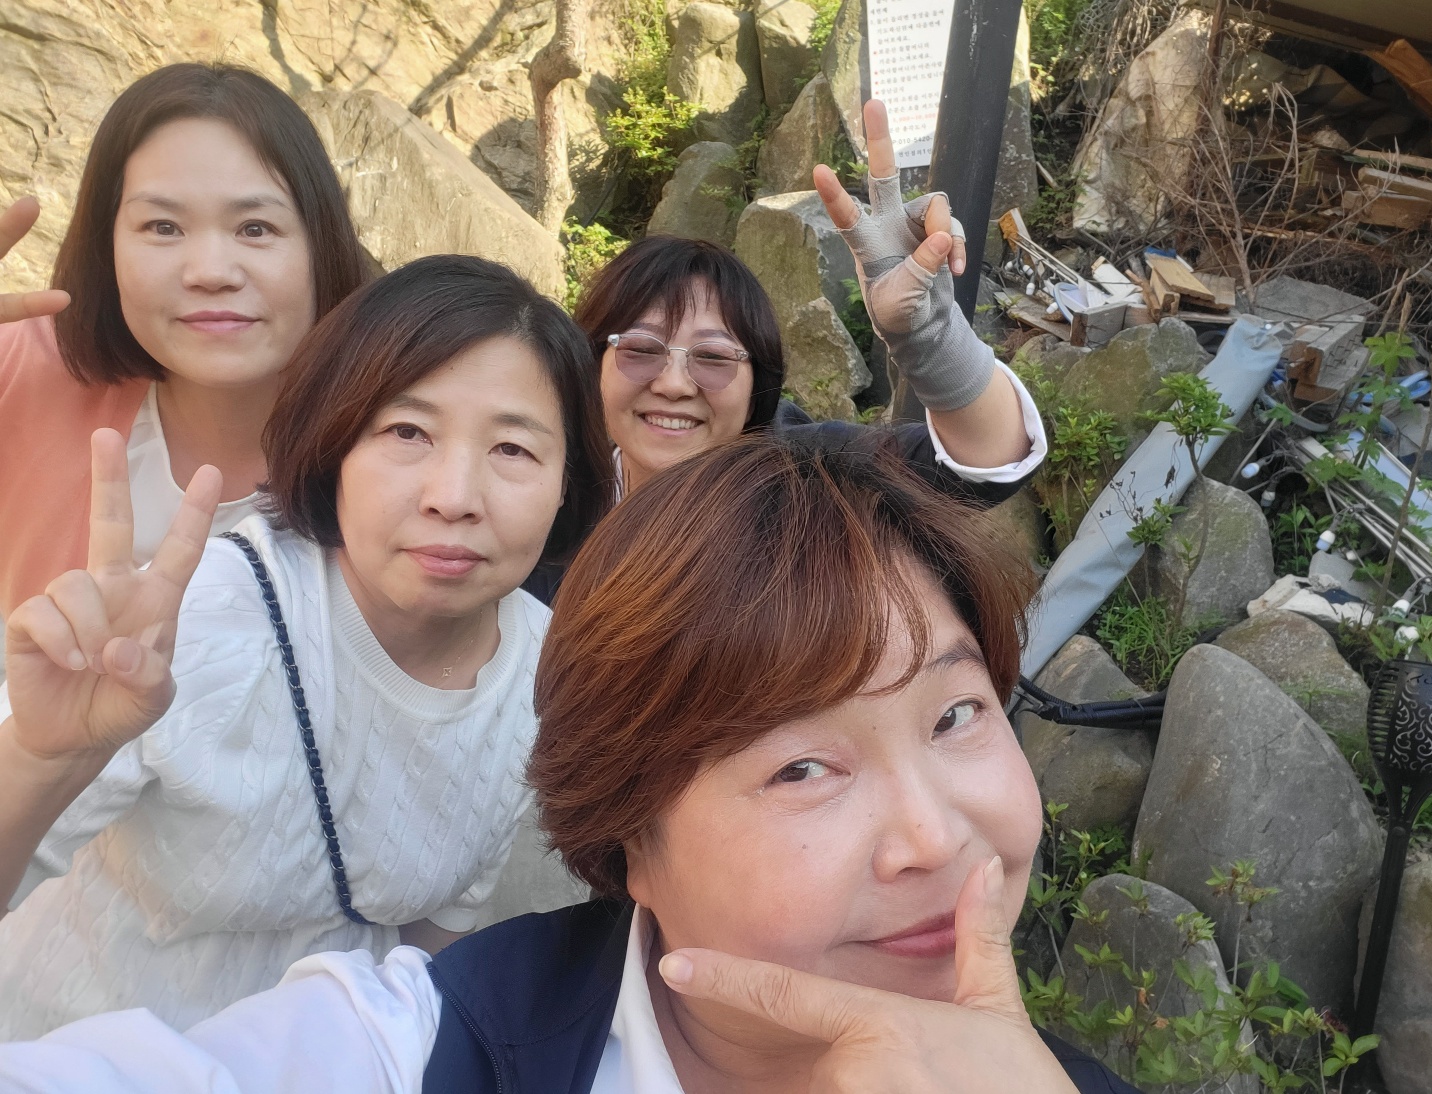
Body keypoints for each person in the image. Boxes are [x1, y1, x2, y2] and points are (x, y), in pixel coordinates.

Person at [0, 437, 1134, 1094]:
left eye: (955, 715)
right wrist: (37, 760)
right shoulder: (429, 1051)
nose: (933, 837)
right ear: (630, 839)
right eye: (800, 768)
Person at [0, 255, 615, 1038]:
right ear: (335, 446)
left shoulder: (544, 674)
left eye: (513, 450)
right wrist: (40, 758)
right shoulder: (192, 624)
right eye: (407, 431)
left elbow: (426, 948)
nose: (454, 497)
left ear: (568, 483)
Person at [523, 100, 1045, 603]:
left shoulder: (801, 479)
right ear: (593, 362)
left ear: (759, 380)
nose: (674, 384)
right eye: (641, 349)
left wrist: (931, 339)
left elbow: (981, 467)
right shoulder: (546, 495)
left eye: (713, 357)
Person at [0, 62, 370, 621]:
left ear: (322, 245)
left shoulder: (410, 434)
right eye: (163, 227)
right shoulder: (25, 367)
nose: (211, 272)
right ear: (106, 248)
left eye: (255, 228)